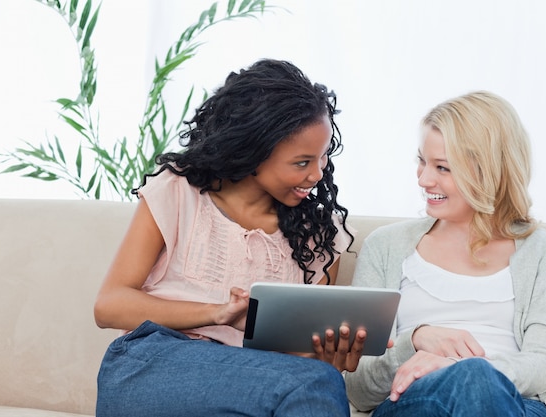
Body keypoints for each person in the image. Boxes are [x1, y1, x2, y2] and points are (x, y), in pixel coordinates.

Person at [93, 59, 363, 417]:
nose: (317, 173)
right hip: (149, 364)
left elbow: (295, 361)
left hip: (248, 386)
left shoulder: (319, 234)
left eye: (324, 156)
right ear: (255, 151)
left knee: (317, 379)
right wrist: (217, 313)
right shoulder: (179, 191)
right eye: (301, 162)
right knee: (313, 384)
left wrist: (329, 355)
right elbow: (109, 305)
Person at [344, 91, 546, 417]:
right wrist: (416, 341)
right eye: (422, 162)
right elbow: (358, 387)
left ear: (489, 171)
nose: (424, 179)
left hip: (517, 403)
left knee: (475, 378)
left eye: (442, 167)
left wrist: (458, 366)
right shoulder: (385, 246)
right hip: (415, 402)